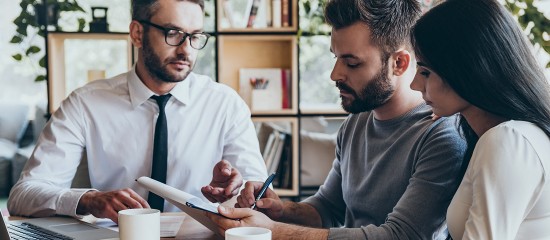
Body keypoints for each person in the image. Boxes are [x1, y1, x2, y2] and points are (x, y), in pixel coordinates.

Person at [206, 0, 470, 239]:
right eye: (335, 58)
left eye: (351, 63)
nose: (335, 74)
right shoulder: (356, 123)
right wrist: (279, 209)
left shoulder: (443, 136)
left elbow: (403, 236)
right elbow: (328, 208)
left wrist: (274, 232)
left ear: (399, 63)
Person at [8, 0, 267, 223]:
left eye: (195, 36)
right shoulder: (84, 104)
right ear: (137, 33)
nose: (186, 49)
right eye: (173, 33)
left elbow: (259, 195)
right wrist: (88, 200)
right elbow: (23, 195)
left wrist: (237, 193)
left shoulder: (225, 104)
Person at [409, 0, 550, 239]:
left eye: (425, 72)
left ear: (467, 67)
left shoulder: (507, 139)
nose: (414, 85)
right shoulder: (514, 136)